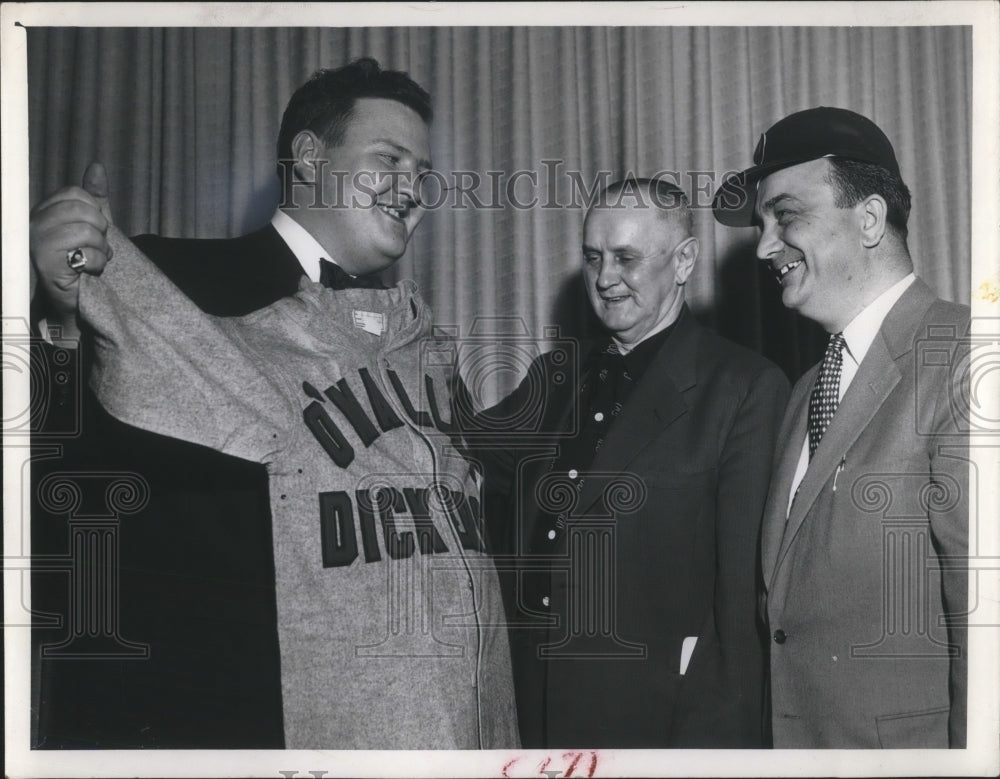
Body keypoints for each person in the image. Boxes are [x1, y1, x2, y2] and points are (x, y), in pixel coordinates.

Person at [28, 57, 518, 750]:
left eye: (422, 172)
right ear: (311, 158)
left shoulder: (423, 348)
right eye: (389, 160)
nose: (413, 190)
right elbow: (55, 505)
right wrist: (66, 324)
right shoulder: (172, 278)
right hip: (222, 728)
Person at [465, 178, 789, 748]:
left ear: (684, 261)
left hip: (651, 725)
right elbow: (453, 452)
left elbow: (742, 612)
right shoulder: (552, 378)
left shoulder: (743, 388)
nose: (605, 278)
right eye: (593, 258)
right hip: (523, 715)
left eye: (627, 258)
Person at [712, 106, 969, 748]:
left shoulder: (964, 357)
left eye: (787, 216)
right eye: (761, 223)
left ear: (871, 219)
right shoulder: (803, 394)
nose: (765, 245)